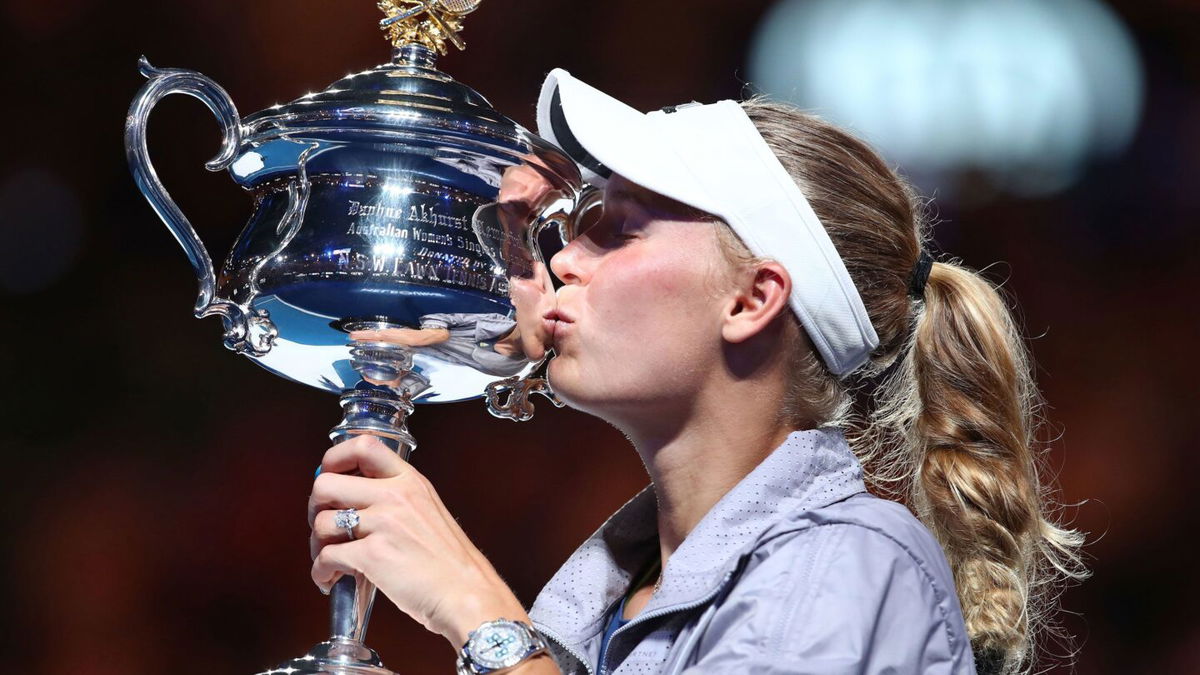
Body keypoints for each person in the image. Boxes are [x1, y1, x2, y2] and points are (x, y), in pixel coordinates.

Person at [305, 69, 1086, 674]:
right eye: (577, 229)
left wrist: (478, 613)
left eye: (617, 230)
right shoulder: (613, 595)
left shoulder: (850, 559)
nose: (566, 260)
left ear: (752, 299)